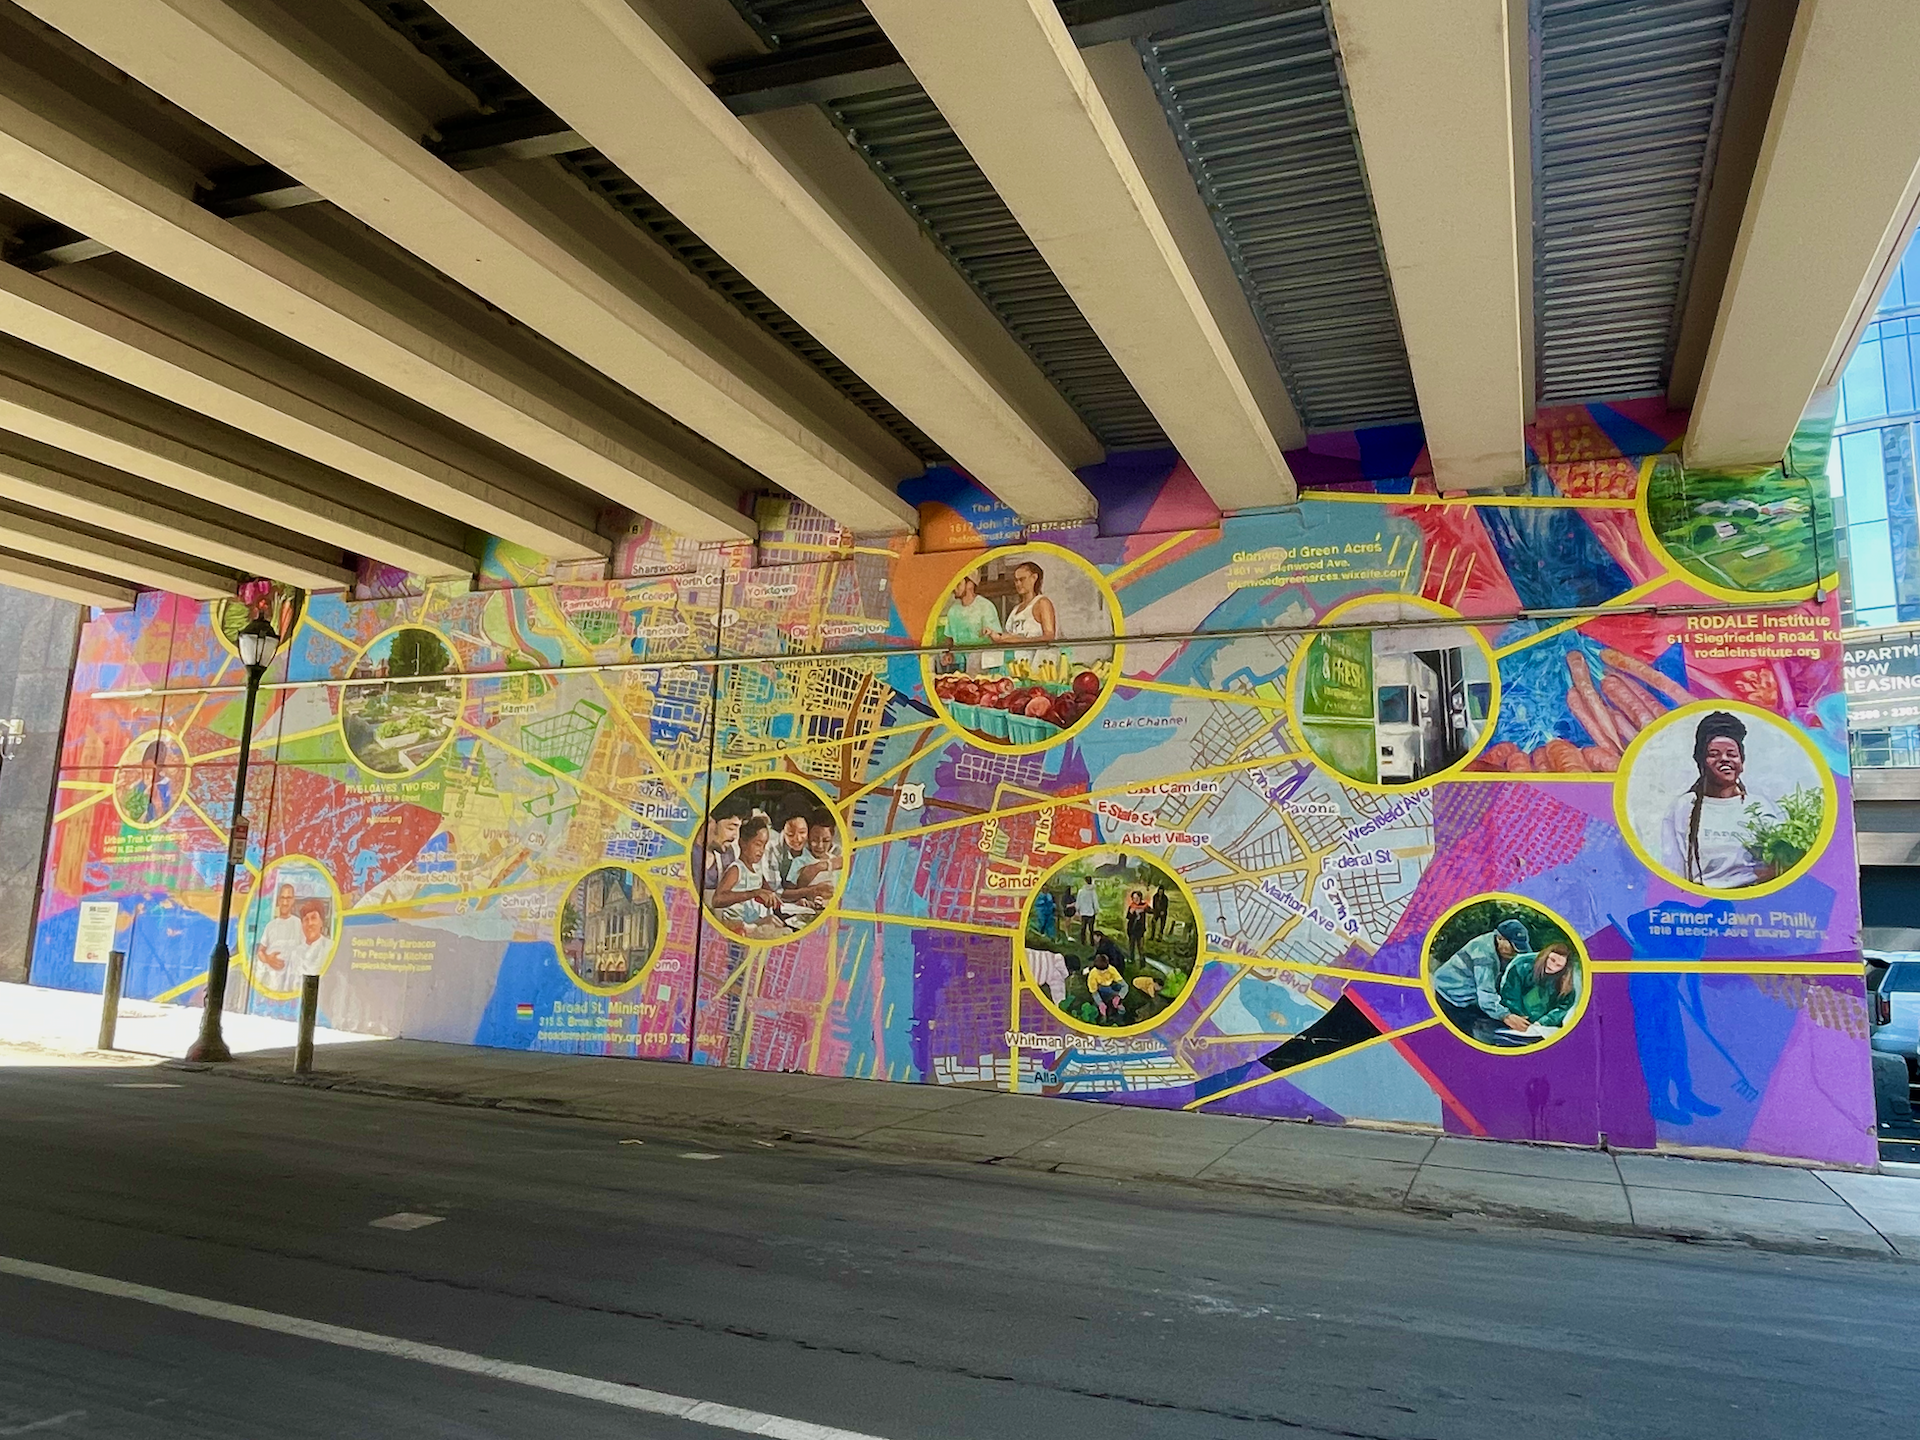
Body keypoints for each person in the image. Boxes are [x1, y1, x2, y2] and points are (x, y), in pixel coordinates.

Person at [1656, 711, 1782, 888]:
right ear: (1701, 761)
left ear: (1741, 761)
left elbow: (1780, 861)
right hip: (1702, 900)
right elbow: (1673, 870)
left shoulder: (1761, 806)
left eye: (1731, 754)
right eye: (1714, 754)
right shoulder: (1683, 807)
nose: (1724, 759)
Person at [1431, 917, 1533, 1041]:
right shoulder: (1484, 956)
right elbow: (1486, 995)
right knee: (1469, 1037)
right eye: (1513, 946)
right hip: (1452, 995)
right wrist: (1507, 1017)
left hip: (1472, 995)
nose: (1516, 951)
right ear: (1500, 938)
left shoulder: (1500, 949)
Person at [711, 816, 785, 936]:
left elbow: (772, 895)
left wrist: (791, 904)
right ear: (743, 844)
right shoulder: (736, 870)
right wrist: (754, 893)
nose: (761, 850)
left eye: (764, 845)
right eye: (758, 844)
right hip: (739, 928)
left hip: (757, 924)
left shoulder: (757, 871)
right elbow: (717, 900)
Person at [986, 560, 1057, 672]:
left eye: (1022, 579)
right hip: (1015, 666)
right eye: (1016, 580)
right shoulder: (1015, 609)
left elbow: (1049, 636)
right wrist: (997, 636)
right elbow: (1011, 636)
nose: (1018, 584)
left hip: (1037, 666)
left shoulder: (1042, 603)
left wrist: (1020, 640)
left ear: (1034, 578)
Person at [1498, 942, 1579, 1034]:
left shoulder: (1565, 982)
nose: (1552, 966)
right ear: (1546, 956)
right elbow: (1510, 996)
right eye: (1552, 960)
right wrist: (1518, 1017)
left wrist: (1542, 1022)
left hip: (1543, 1028)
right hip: (1515, 1022)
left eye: (1558, 965)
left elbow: (1564, 1007)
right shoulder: (1522, 967)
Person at [938, 574, 1002, 672]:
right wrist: (948, 654)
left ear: (970, 584)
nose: (954, 588)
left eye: (958, 584)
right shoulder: (953, 610)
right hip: (959, 667)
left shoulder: (986, 606)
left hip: (983, 667)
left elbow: (997, 639)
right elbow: (949, 638)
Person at [256, 882, 303, 977]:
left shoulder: (299, 924)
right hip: (272, 978)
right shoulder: (270, 926)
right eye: (283, 898)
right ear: (278, 900)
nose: (285, 902)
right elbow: (260, 952)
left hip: (292, 978)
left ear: (293, 900)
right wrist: (268, 959)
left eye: (288, 898)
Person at [696, 811, 742, 895]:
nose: (735, 836)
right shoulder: (688, 854)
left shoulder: (728, 854)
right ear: (710, 823)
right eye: (731, 828)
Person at [1084, 953, 1128, 1023]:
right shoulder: (1092, 974)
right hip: (1101, 990)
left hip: (1112, 987)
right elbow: (1094, 992)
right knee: (1099, 1006)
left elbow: (1125, 986)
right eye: (1100, 971)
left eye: (1105, 970)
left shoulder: (1111, 969)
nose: (1103, 972)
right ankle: (1104, 1019)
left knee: (1121, 1008)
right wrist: (1100, 1003)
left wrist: (1119, 997)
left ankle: (1120, 1018)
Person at [1124, 888, 1149, 962]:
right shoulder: (1131, 906)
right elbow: (1128, 917)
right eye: (1134, 898)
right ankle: (1131, 959)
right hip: (1132, 929)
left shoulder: (1144, 905)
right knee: (1131, 946)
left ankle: (1142, 962)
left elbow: (1151, 911)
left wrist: (1143, 909)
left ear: (1140, 898)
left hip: (1140, 930)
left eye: (1137, 898)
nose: (1135, 900)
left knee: (1140, 947)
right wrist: (1131, 913)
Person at [1075, 875, 1099, 947]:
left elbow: (1078, 901)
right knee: (1091, 929)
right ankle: (1092, 942)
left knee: (1083, 928)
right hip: (1091, 912)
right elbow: (1095, 901)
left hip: (1083, 912)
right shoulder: (1093, 891)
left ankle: (1083, 942)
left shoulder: (1081, 891)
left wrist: (1077, 909)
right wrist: (1096, 910)